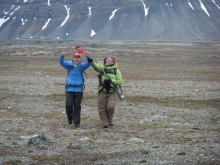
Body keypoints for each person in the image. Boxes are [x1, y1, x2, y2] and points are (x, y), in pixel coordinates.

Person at [59, 48, 91, 128]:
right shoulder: (68, 65)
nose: (76, 59)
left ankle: (77, 123)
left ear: (79, 59)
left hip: (79, 89)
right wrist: (62, 56)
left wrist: (87, 56)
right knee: (68, 104)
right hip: (69, 89)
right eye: (75, 58)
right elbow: (61, 62)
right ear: (72, 59)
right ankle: (70, 118)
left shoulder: (82, 66)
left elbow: (89, 63)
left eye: (78, 58)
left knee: (77, 106)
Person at [88, 56, 122, 128]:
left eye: (108, 60)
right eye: (107, 59)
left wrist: (112, 81)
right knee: (102, 107)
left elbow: (119, 81)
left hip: (112, 92)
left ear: (113, 62)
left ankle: (110, 119)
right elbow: (96, 67)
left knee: (111, 106)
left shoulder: (116, 71)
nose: (106, 60)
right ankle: (105, 123)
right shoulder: (103, 69)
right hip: (102, 91)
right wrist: (91, 62)